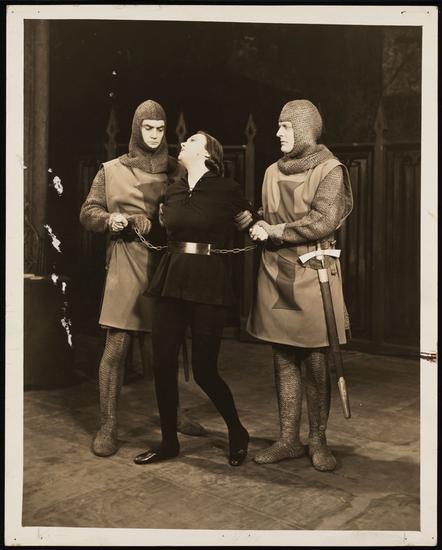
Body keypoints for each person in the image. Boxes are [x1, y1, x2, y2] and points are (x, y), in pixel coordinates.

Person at [80, 99, 205, 457]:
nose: (154, 135)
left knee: (166, 346)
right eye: (148, 128)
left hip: (165, 262)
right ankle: (108, 424)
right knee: (117, 345)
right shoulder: (111, 170)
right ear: (137, 129)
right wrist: (110, 220)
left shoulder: (176, 169)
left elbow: (192, 211)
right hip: (126, 260)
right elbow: (88, 211)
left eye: (160, 129)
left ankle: (174, 414)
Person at [133, 131, 252, 467]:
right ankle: (169, 443)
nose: (182, 144)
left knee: (204, 371)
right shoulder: (172, 189)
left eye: (192, 141)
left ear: (208, 153)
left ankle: (237, 431)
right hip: (171, 279)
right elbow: (163, 228)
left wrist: (254, 220)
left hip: (208, 282)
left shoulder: (227, 189)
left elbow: (248, 220)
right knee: (162, 364)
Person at [247, 99, 353, 471]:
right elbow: (270, 212)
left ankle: (318, 440)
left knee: (315, 360)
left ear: (304, 129)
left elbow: (323, 220)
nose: (278, 133)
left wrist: (274, 230)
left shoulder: (329, 169)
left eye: (285, 126)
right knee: (283, 356)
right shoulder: (271, 171)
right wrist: (255, 221)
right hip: (276, 271)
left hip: (313, 272)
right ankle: (288, 439)